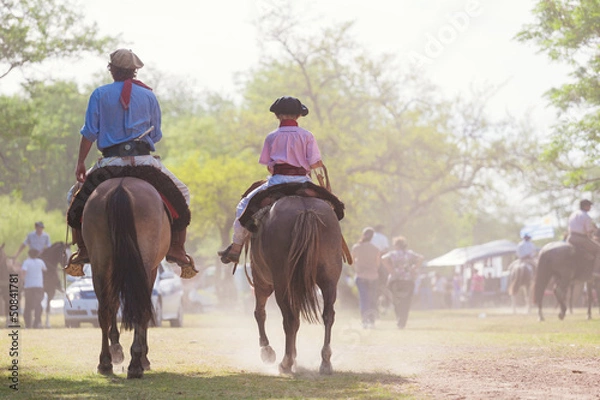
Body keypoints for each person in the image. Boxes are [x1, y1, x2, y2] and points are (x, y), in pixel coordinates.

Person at [65, 48, 196, 278]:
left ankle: (83, 249)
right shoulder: (149, 96)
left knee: (73, 198)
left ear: (111, 70)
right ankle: (177, 247)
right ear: (134, 71)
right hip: (145, 162)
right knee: (183, 194)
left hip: (109, 163)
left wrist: (80, 163)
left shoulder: (99, 94)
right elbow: (156, 135)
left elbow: (89, 133)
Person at [218, 96, 325, 264]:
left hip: (277, 183)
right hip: (303, 182)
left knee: (243, 207)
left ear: (277, 116)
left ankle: (236, 247)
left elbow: (269, 166)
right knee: (331, 207)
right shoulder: (307, 135)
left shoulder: (271, 137)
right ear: (298, 116)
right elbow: (314, 163)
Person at [381, 236, 423, 328]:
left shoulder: (393, 254)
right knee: (406, 301)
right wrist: (414, 268)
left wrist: (390, 270)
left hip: (395, 280)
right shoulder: (409, 253)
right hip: (408, 280)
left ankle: (399, 319)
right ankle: (403, 321)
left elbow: (383, 259)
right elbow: (421, 258)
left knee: (396, 300)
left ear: (396, 245)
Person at [351, 227, 381, 329]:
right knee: (372, 299)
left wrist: (357, 269)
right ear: (372, 237)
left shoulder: (356, 247)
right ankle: (372, 321)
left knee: (364, 299)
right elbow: (377, 264)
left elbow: (352, 261)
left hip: (361, 276)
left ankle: (364, 321)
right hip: (373, 276)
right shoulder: (376, 249)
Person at [566, 199, 600, 276]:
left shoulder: (573, 214)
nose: (590, 208)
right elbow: (589, 231)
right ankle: (596, 271)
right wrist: (593, 231)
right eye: (589, 206)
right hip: (580, 239)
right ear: (585, 206)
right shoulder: (586, 216)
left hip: (570, 238)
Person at [21, 249, 47, 329]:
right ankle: (37, 323)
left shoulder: (26, 262)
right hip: (39, 286)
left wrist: (22, 281)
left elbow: (23, 273)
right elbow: (45, 270)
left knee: (28, 305)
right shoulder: (40, 262)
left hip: (28, 287)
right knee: (38, 305)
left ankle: (28, 324)